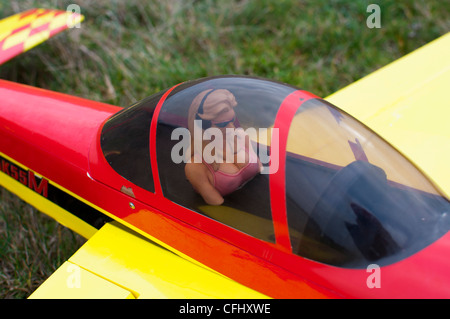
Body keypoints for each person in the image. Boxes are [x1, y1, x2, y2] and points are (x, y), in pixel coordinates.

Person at [185, 88, 261, 205]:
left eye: (232, 120)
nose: (231, 127)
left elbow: (260, 168)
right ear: (202, 126)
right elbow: (216, 202)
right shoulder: (196, 166)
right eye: (222, 124)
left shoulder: (241, 136)